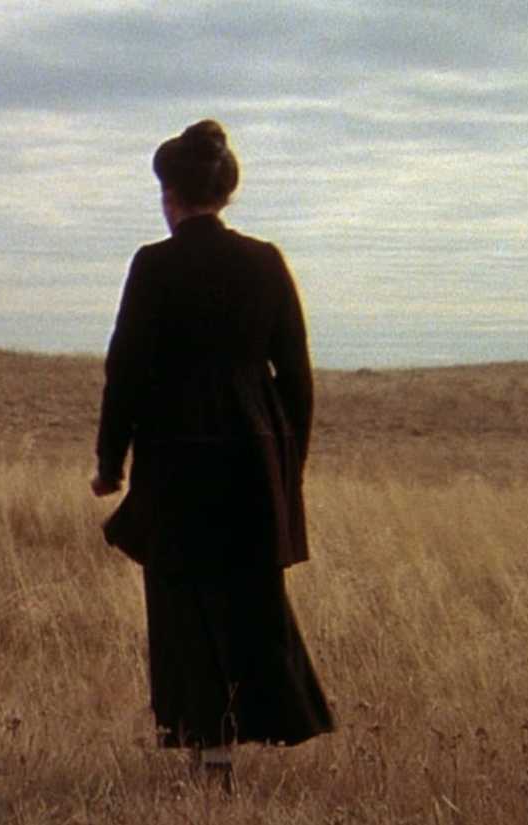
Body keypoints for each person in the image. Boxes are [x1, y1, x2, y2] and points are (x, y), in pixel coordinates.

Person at [90, 119, 334, 789]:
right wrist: (290, 467)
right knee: (251, 605)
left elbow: (126, 371)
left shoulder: (154, 264)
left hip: (174, 461)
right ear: (225, 191)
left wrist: (111, 462)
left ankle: (208, 754)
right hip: (253, 463)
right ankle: (240, 740)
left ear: (170, 194)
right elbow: (298, 377)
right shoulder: (265, 262)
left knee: (181, 611)